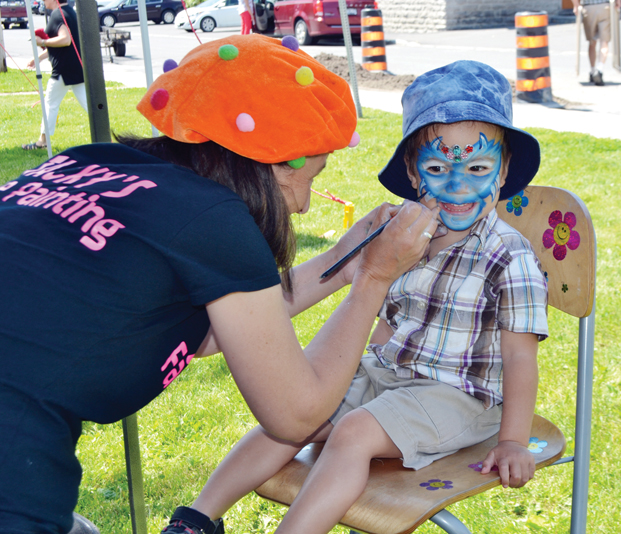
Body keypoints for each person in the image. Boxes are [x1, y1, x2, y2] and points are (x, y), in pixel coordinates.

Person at [0, 35, 440, 534]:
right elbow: (295, 417)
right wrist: (374, 279)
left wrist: (343, 261)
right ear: (271, 160)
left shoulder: (88, 162)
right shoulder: (214, 220)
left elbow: (207, 335)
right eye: (309, 178)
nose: (305, 206)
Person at [162, 60, 549, 534]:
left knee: (352, 431)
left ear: (504, 170)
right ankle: (197, 520)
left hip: (462, 398)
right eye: (435, 166)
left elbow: (519, 358)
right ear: (411, 171)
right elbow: (386, 319)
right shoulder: (404, 237)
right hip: (389, 377)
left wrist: (512, 439)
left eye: (477, 167)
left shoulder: (509, 255)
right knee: (292, 419)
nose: (457, 185)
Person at [23, 0, 88, 150]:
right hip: (76, 68)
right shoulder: (69, 12)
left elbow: (65, 40)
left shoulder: (58, 14)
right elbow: (66, 44)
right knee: (89, 105)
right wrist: (38, 58)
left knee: (50, 104)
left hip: (63, 71)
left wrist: (43, 41)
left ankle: (42, 141)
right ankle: (107, 137)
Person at [572, 0, 621, 86]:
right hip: (605, 7)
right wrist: (618, 2)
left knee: (592, 41)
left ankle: (592, 70)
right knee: (604, 41)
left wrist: (576, 5)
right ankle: (599, 69)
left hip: (588, 7)